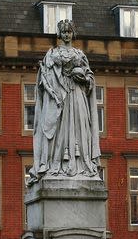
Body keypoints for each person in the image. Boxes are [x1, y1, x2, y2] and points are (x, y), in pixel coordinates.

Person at [29, 19, 101, 184]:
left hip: (77, 96)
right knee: (59, 131)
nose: (66, 35)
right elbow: (44, 80)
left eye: (69, 32)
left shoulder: (80, 55)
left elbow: (90, 78)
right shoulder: (53, 54)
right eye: (63, 32)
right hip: (60, 98)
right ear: (59, 34)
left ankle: (82, 165)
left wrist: (83, 77)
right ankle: (56, 165)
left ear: (73, 33)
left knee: (80, 129)